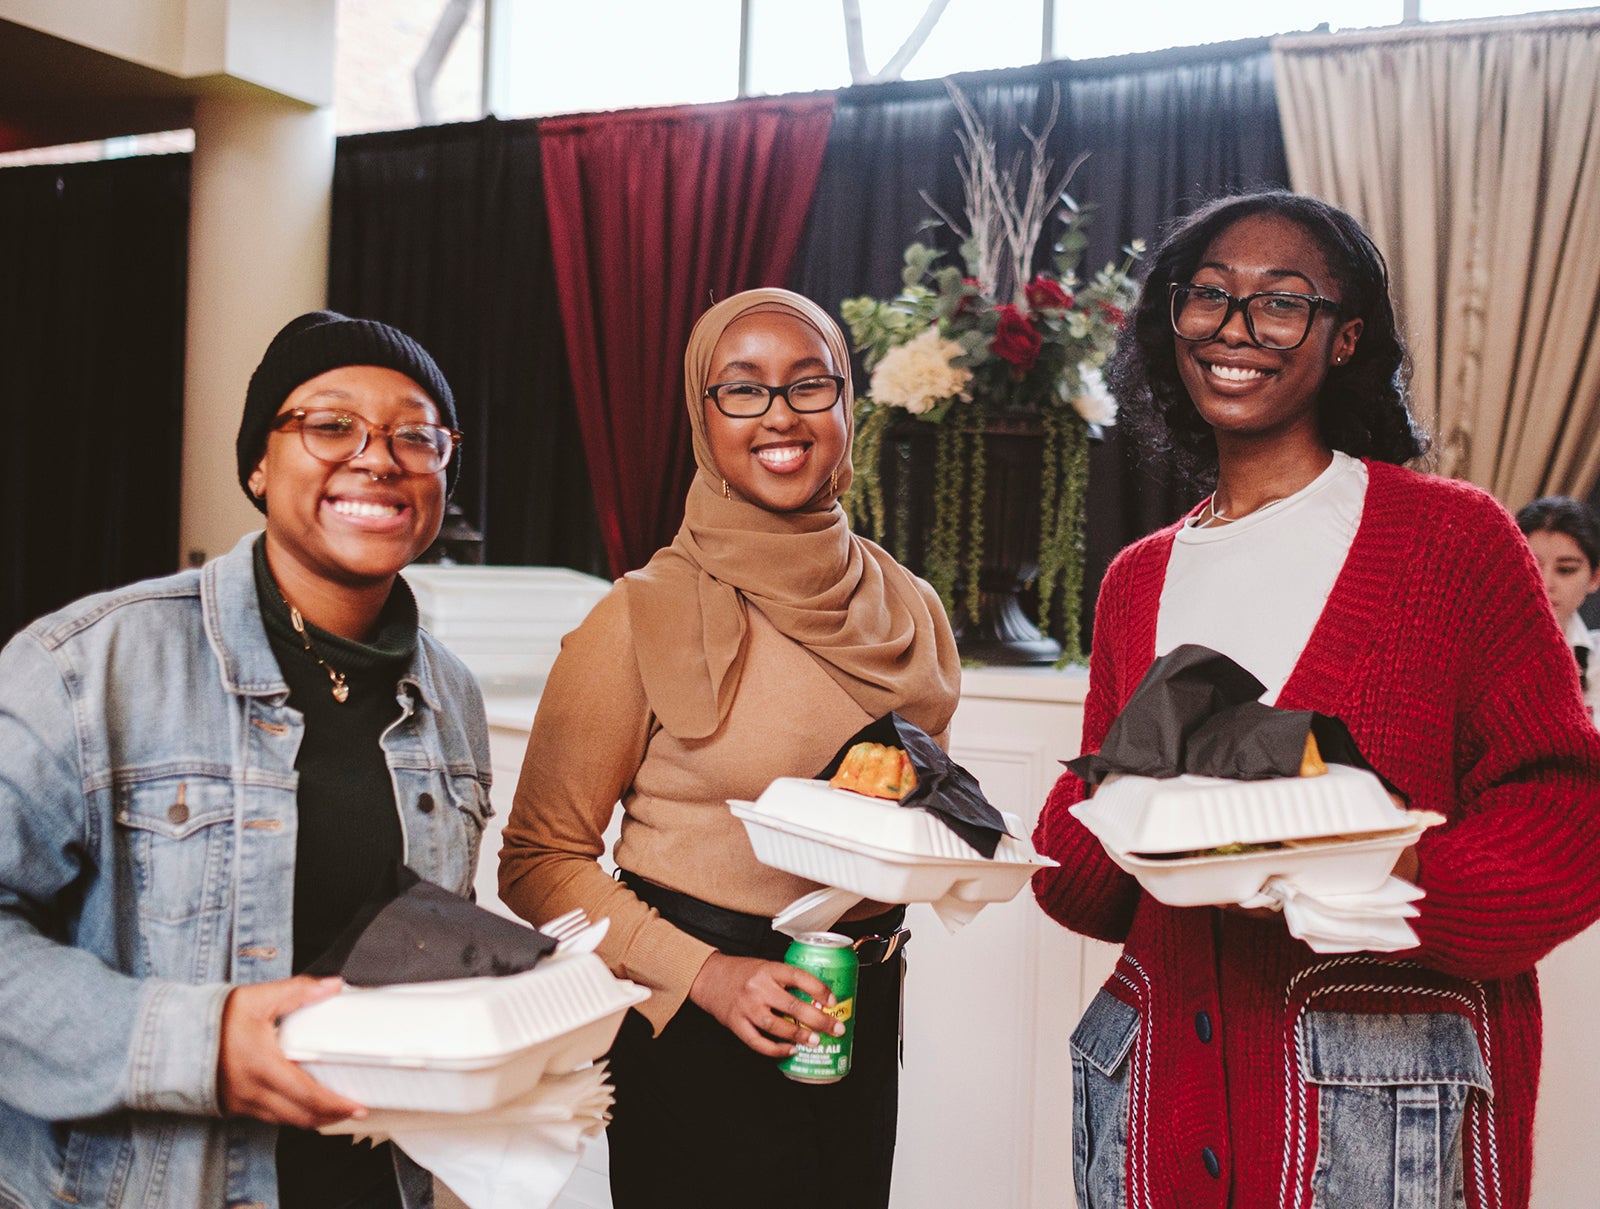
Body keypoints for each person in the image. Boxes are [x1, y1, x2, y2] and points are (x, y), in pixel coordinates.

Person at [1031, 191, 1600, 1209]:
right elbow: (1087, 891)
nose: (1236, 327)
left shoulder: (1453, 542)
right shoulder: (1137, 580)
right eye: (1208, 295)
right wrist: (1092, 803)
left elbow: (1567, 815)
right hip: (1156, 1116)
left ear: (1345, 339)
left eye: (1281, 301)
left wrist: (1382, 865)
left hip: (1383, 1134)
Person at [0, 312, 491, 1209]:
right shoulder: (88, 665)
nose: (379, 458)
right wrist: (205, 1040)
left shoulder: (450, 693)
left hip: (379, 1182)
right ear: (259, 465)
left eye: (416, 436)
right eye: (331, 424)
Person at [499, 288, 960, 1209]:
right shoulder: (639, 614)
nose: (780, 415)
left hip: (857, 1010)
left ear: (847, 406)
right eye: (742, 390)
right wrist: (707, 976)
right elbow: (537, 862)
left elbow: (909, 807)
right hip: (693, 1026)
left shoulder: (908, 605)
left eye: (809, 384)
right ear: (702, 419)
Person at [1516, 495, 1600, 726]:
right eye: (1531, 565)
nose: (1545, 582)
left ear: (1595, 577)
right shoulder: (1476, 655)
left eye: (1565, 569)